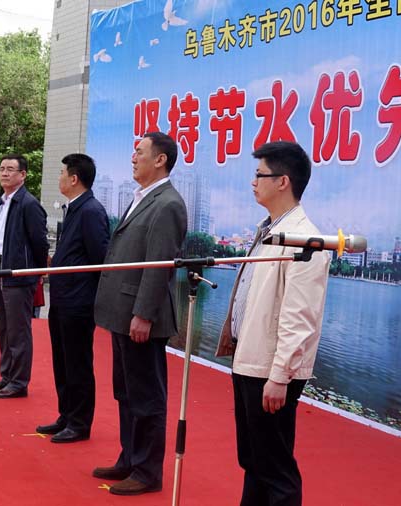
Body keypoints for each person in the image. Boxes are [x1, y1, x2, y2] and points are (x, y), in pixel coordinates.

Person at [214, 141, 330, 506]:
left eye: (259, 174)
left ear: (283, 182)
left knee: (276, 469)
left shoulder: (305, 240)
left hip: (270, 370)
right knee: (254, 460)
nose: (253, 182)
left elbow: (300, 318)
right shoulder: (269, 229)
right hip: (250, 360)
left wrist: (280, 376)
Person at [92, 132, 188, 496]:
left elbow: (159, 264)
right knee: (126, 392)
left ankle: (147, 471)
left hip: (140, 316)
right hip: (121, 311)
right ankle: (129, 458)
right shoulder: (142, 197)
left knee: (146, 396)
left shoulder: (168, 204)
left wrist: (144, 314)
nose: (133, 158)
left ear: (160, 160)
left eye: (140, 152)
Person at [36, 153, 109, 443]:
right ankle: (66, 415)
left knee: (77, 363)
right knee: (62, 360)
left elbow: (99, 258)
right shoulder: (75, 209)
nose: (60, 178)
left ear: (74, 178)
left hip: (78, 302)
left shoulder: (91, 211)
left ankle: (79, 422)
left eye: (62, 173)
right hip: (62, 299)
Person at [0, 155, 48, 399]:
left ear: (23, 175)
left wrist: (35, 272)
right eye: (2, 169)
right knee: (4, 328)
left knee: (19, 331)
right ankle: (7, 376)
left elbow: (39, 243)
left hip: (18, 273)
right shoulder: (3, 202)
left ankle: (19, 381)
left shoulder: (29, 204)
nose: (5, 173)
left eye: (10, 169)